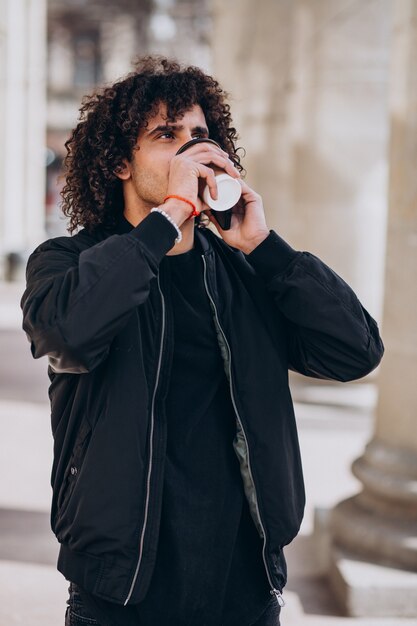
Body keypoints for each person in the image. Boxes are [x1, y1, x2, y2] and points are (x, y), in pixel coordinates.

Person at [21, 56, 384, 626]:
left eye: (201, 136)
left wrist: (267, 249)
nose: (193, 152)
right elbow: (65, 332)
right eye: (167, 136)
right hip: (120, 591)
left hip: (243, 587)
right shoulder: (69, 262)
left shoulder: (247, 271)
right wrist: (168, 216)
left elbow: (356, 351)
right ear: (119, 162)